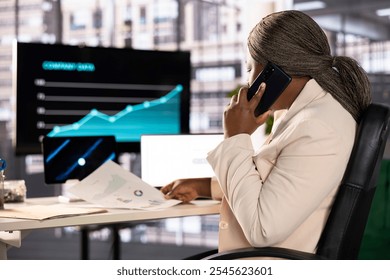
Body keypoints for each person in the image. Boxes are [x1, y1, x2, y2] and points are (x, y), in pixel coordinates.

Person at [161, 10, 371, 254]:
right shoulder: (310, 114)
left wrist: (236, 137)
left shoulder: (317, 127)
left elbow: (262, 229)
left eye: (251, 69)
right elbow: (279, 184)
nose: (249, 82)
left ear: (274, 72)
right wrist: (206, 187)